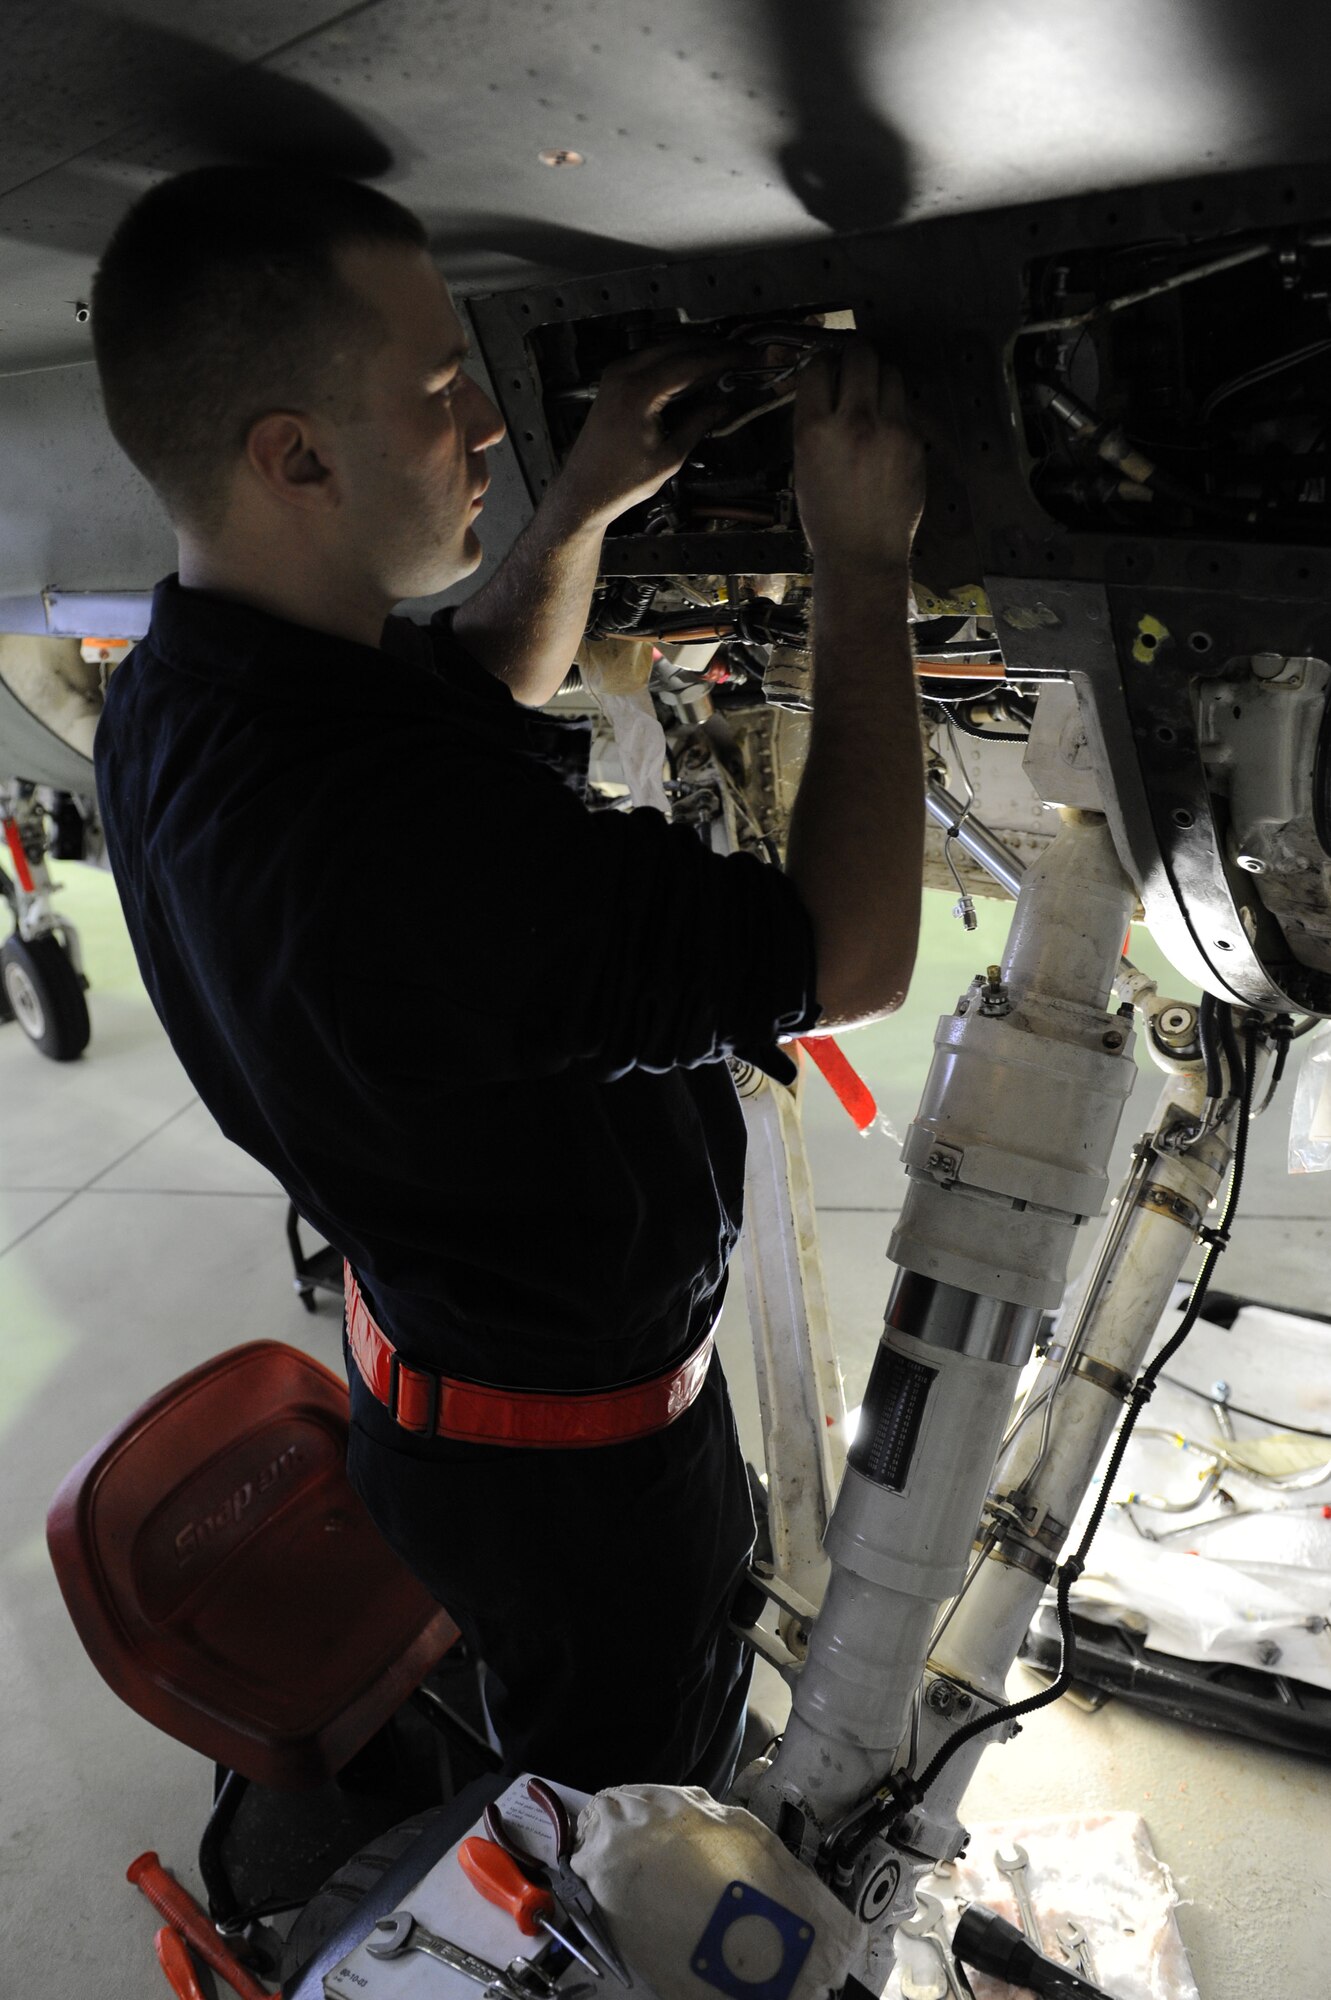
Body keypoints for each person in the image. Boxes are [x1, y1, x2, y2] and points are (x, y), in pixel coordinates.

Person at [90, 166, 925, 1796]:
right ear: (295, 455)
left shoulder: (193, 689)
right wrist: (863, 564)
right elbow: (853, 955)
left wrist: (586, 498)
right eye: (436, 393)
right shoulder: (397, 850)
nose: (486, 421)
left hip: (453, 1416)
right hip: (586, 1499)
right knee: (641, 1853)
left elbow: (465, 699)